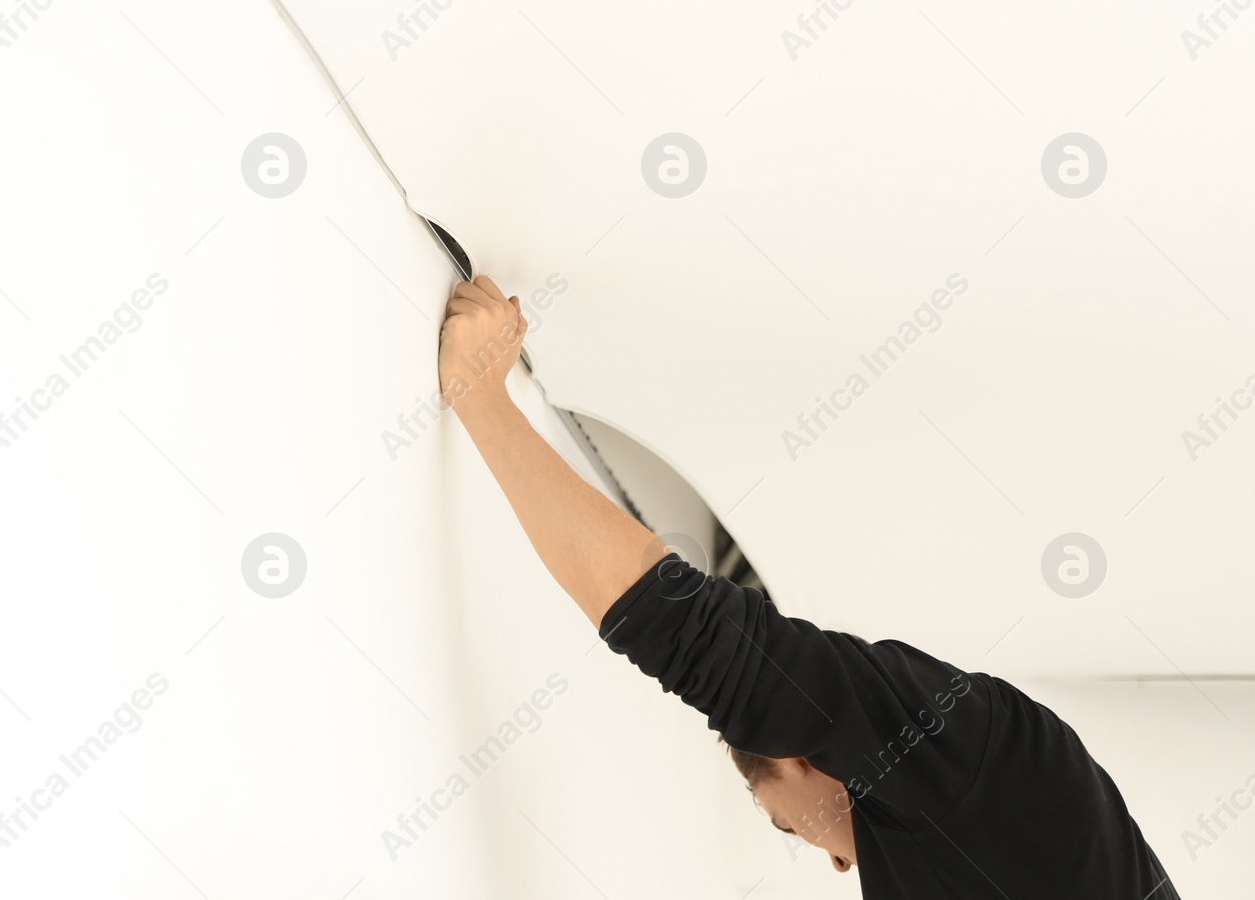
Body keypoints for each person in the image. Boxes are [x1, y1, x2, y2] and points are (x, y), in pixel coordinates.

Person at [437, 275, 1179, 898]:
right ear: (790, 754)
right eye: (785, 825)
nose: (831, 859)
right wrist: (483, 398)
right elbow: (691, 636)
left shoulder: (977, 783)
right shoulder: (971, 763)